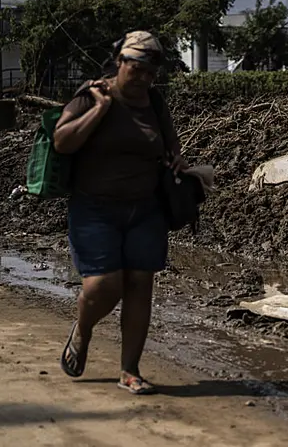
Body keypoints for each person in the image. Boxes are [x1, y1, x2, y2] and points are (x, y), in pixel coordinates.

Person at [53, 31, 187, 394]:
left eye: (150, 72)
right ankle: (83, 328)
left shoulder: (155, 102)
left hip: (145, 208)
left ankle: (130, 371)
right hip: (94, 207)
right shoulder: (94, 93)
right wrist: (99, 110)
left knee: (141, 283)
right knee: (103, 285)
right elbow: (62, 141)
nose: (143, 78)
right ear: (120, 62)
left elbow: (170, 141)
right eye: (137, 69)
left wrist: (177, 160)